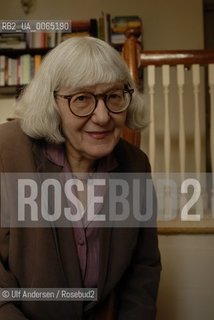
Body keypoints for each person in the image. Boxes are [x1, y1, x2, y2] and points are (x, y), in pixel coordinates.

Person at [0, 36, 161, 320]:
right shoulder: (6, 152)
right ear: (51, 103)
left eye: (113, 96)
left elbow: (143, 269)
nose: (102, 116)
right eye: (82, 99)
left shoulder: (135, 165)